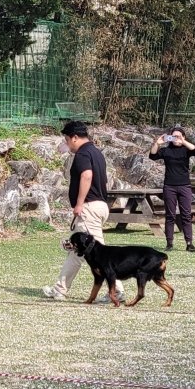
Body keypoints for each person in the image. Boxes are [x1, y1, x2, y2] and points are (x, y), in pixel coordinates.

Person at [42, 121, 125, 303]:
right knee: (82, 251)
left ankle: (116, 291)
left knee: (90, 253)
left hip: (89, 208)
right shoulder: (97, 153)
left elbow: (87, 175)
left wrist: (79, 204)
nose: (67, 144)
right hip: (100, 205)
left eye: (66, 139)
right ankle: (61, 289)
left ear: (74, 137)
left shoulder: (82, 154)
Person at [149, 125, 195, 252]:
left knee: (186, 215)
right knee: (170, 215)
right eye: (174, 136)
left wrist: (183, 141)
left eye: (178, 136)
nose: (176, 138)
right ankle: (169, 243)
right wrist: (157, 143)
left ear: (183, 137)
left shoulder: (186, 150)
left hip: (184, 186)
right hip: (169, 186)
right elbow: (152, 155)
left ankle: (189, 243)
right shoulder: (166, 150)